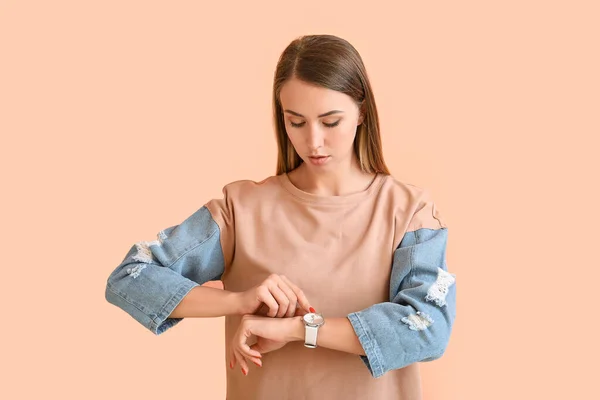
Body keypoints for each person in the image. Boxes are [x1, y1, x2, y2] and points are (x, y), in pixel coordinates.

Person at [105, 34, 456, 400]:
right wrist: (240, 301)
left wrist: (300, 329)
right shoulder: (240, 209)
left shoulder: (409, 212)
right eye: (297, 122)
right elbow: (130, 277)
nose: (313, 141)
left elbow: (427, 326)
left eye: (330, 122)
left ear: (361, 112)